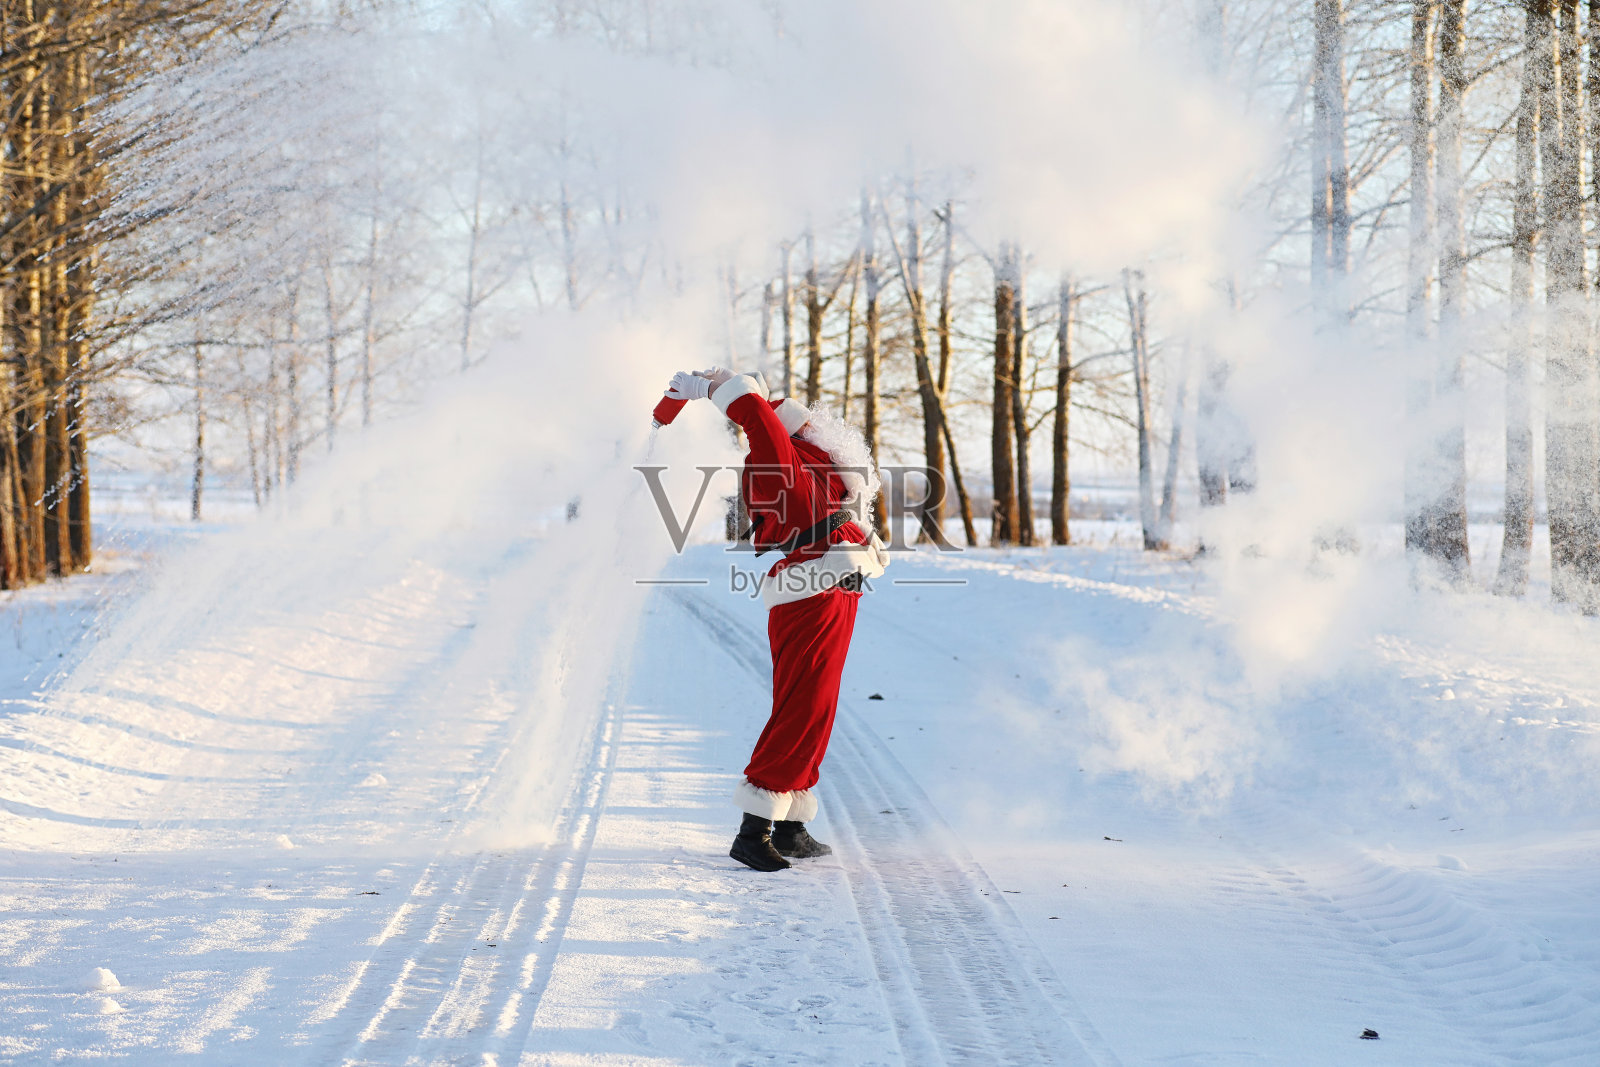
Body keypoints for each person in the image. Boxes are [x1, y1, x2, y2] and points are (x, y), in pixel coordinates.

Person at [664, 366, 888, 871]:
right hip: (812, 589)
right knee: (802, 706)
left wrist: (756, 395)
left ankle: (789, 824)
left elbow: (812, 437)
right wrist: (718, 392)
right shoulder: (779, 467)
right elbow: (760, 421)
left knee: (819, 706)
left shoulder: (809, 465)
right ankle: (754, 830)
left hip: (831, 586)